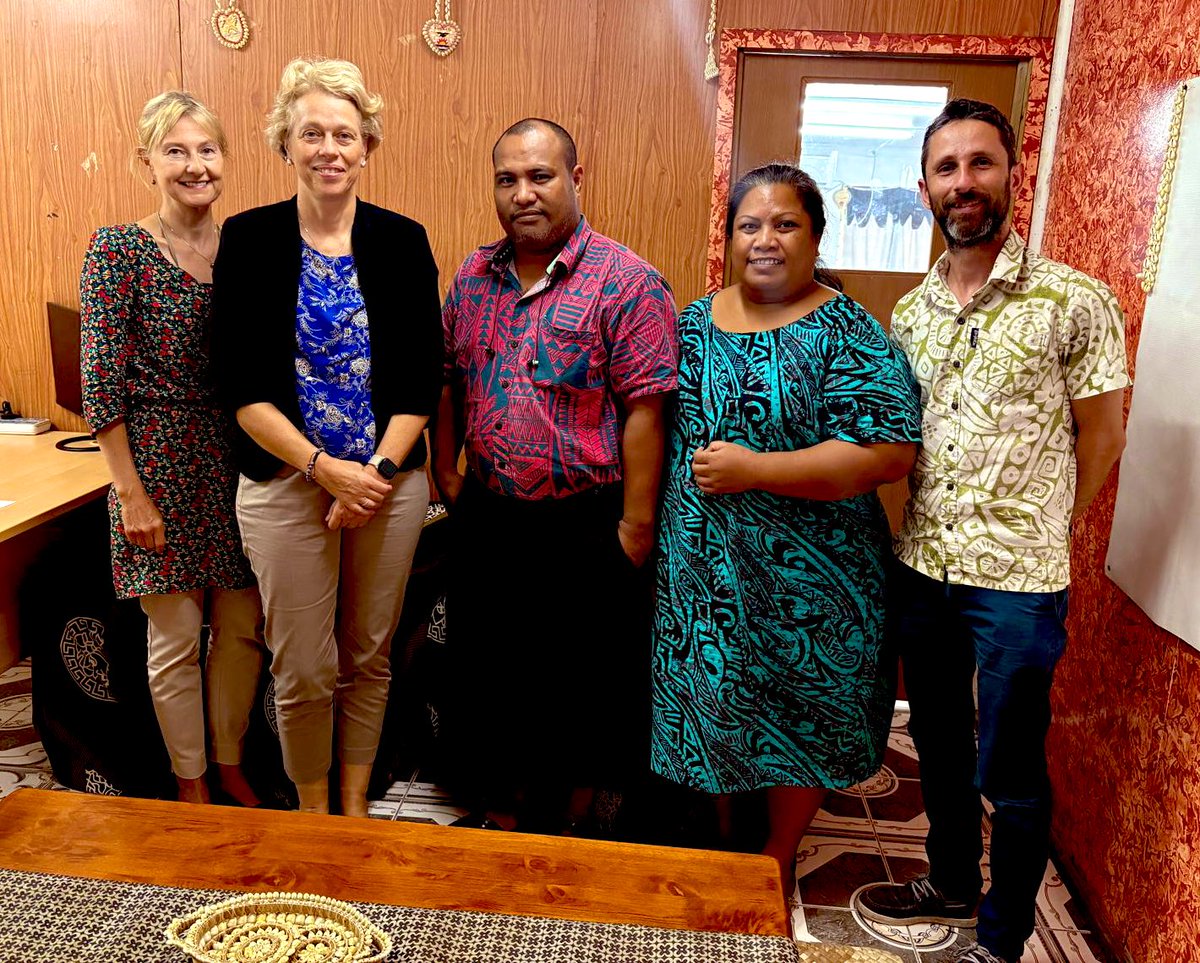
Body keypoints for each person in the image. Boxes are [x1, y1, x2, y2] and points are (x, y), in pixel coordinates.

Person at [853, 99, 1130, 963]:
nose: (963, 183)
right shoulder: (913, 311)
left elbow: (1106, 434)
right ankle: (948, 880)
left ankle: (1003, 937)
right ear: (925, 185)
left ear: (1015, 173)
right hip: (924, 565)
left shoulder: (1074, 300)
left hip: (1018, 583)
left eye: (980, 163)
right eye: (946, 168)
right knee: (937, 739)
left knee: (1008, 771)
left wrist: (1047, 528)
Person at [650, 163, 922, 900]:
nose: (764, 240)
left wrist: (756, 470)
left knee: (800, 705)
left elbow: (889, 452)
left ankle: (776, 851)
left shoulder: (847, 330)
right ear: (729, 236)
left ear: (815, 236)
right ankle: (725, 839)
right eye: (748, 224)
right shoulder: (692, 323)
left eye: (784, 224)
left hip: (813, 578)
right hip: (702, 569)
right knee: (715, 698)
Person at [210, 58, 442, 817]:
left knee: (368, 657)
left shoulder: (404, 241)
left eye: (345, 133)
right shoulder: (246, 239)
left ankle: (353, 807)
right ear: (286, 143)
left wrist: (368, 474)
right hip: (283, 480)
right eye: (312, 132)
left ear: (367, 145)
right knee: (304, 665)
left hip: (388, 483)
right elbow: (242, 387)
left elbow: (420, 380)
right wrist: (324, 469)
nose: (330, 148)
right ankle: (313, 815)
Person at [432, 118, 678, 833]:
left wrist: (635, 524)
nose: (522, 194)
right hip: (491, 512)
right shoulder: (475, 275)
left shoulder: (627, 281)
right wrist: (446, 471)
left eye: (539, 176)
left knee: (578, 682)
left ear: (576, 176)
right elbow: (447, 375)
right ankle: (499, 812)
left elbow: (645, 410)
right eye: (507, 179)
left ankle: (566, 826)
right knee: (490, 671)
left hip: (587, 520)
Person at [80, 91, 264, 806]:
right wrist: (129, 490)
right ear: (146, 162)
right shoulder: (118, 249)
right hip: (154, 462)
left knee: (242, 630)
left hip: (239, 456)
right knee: (177, 638)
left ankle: (231, 764)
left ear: (225, 159)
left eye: (207, 150)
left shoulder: (248, 246)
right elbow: (100, 383)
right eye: (177, 151)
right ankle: (190, 782)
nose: (195, 165)